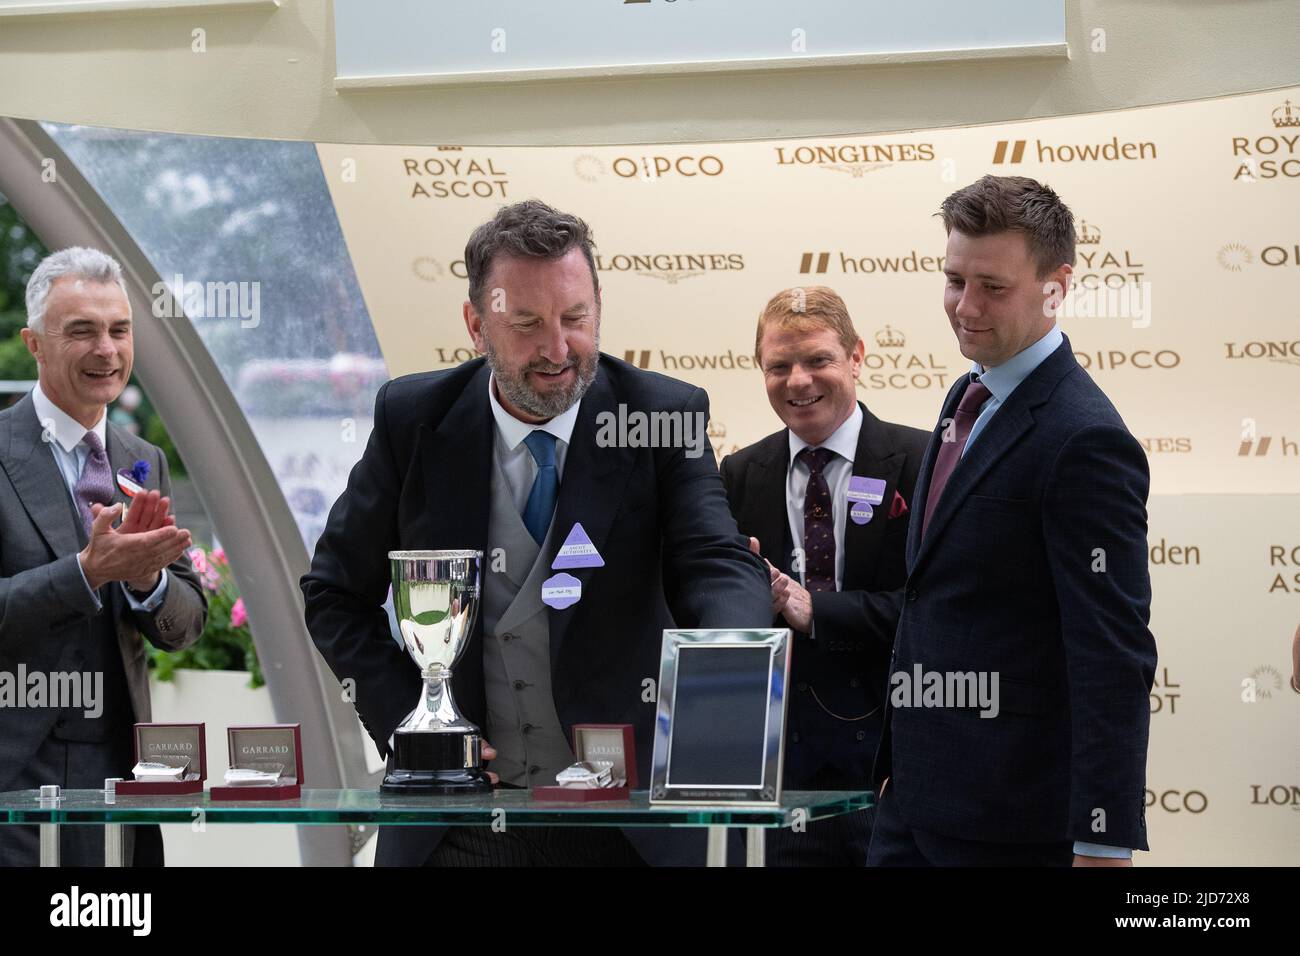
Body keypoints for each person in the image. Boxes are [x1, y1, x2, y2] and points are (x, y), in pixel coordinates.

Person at [301, 199, 771, 866]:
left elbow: (714, 562)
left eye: (576, 318)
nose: (557, 349)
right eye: (525, 324)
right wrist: (415, 728)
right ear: (475, 323)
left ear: (599, 305)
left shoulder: (663, 414)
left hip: (625, 827)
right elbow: (333, 592)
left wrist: (730, 658)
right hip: (457, 829)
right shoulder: (412, 419)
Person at [868, 175, 1157, 866]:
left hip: (1009, 826)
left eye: (992, 287)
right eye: (953, 279)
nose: (965, 307)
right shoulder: (964, 394)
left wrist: (1102, 837)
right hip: (911, 800)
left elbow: (1112, 654)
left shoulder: (1084, 437)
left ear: (1057, 285)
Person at [0, 247, 206, 866]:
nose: (106, 350)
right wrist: (86, 572)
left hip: (124, 783)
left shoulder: (143, 457)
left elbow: (185, 623)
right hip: (13, 786)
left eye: (119, 330)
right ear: (33, 343)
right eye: (81, 331)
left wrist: (146, 581)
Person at [720, 287, 927, 866]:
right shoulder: (737, 473)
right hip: (781, 771)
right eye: (778, 366)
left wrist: (817, 611)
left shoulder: (923, 459)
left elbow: (938, 609)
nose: (798, 381)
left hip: (894, 760)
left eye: (817, 360)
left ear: (856, 356)